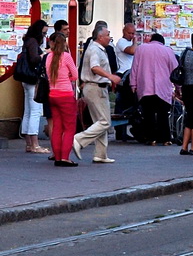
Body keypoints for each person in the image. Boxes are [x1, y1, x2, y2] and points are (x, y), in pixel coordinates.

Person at [72, 24, 122, 164]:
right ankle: (79, 139)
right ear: (100, 37)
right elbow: (95, 67)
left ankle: (100, 154)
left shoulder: (98, 48)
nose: (109, 37)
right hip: (95, 87)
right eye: (107, 35)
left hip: (96, 87)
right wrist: (110, 76)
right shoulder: (95, 49)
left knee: (99, 121)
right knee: (105, 122)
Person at [130, 32, 178, 145]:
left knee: (148, 113)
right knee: (163, 114)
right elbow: (175, 70)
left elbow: (134, 68)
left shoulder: (141, 49)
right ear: (162, 42)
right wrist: (178, 87)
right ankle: (165, 138)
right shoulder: (168, 51)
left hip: (146, 86)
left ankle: (151, 138)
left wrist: (133, 84)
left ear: (151, 40)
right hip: (163, 87)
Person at [44, 33, 80, 166]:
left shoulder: (48, 57)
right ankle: (65, 157)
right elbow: (75, 75)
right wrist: (67, 79)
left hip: (52, 95)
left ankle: (57, 157)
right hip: (66, 95)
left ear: (51, 43)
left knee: (57, 127)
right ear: (64, 43)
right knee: (69, 128)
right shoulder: (66, 57)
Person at [19, 19, 49, 154]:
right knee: (35, 111)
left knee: (28, 111)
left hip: (25, 79)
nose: (44, 36)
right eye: (43, 33)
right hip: (32, 79)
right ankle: (35, 144)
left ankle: (28, 144)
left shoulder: (27, 40)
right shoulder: (32, 42)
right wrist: (45, 53)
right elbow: (34, 59)